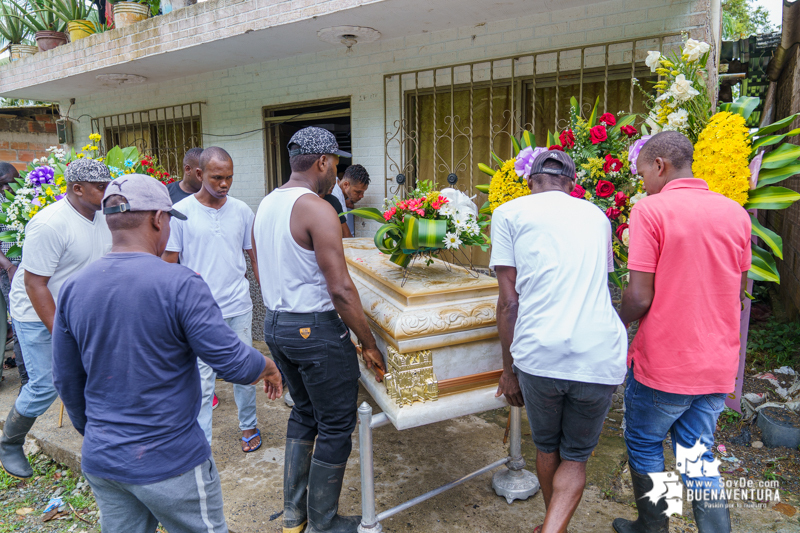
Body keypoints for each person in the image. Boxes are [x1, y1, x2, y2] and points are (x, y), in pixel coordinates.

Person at [52, 173, 283, 533]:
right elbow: (230, 360)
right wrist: (266, 365)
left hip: (103, 461)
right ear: (159, 219)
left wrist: (96, 432)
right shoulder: (180, 284)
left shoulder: (73, 288)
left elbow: (66, 377)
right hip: (170, 462)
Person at [614, 132, 750, 533]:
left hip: (665, 363)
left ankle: (655, 526)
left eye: (642, 174)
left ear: (660, 166)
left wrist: (615, 323)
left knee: (644, 444)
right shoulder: (735, 212)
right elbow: (740, 289)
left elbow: (639, 296)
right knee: (697, 455)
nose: (642, 184)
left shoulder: (651, 211)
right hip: (716, 363)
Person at [253, 126, 385, 533]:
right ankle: (324, 523)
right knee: (335, 425)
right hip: (315, 330)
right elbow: (341, 288)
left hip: (276, 324)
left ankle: (296, 516)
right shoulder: (317, 207)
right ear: (323, 162)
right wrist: (368, 342)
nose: (336, 172)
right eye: (336, 164)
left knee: (305, 414)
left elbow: (260, 266)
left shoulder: (267, 204)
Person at [491, 150, 627, 533]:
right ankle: (555, 528)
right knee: (577, 456)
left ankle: (554, 527)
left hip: (539, 351)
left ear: (531, 181)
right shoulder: (598, 217)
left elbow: (508, 302)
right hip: (599, 353)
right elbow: (600, 283)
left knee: (547, 447)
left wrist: (508, 370)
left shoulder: (509, 213)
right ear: (571, 185)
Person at [0, 158, 113, 480]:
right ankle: (10, 442)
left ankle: (101, 446)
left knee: (95, 377)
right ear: (77, 188)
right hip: (37, 313)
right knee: (46, 384)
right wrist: (64, 336)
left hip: (78, 310)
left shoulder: (104, 217)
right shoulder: (49, 224)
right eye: (100, 187)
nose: (108, 192)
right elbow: (35, 284)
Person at [163, 146, 263, 453]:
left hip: (238, 307)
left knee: (244, 373)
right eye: (217, 177)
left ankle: (248, 424)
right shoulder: (180, 214)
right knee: (202, 382)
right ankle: (202, 441)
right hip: (198, 314)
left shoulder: (243, 211)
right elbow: (168, 264)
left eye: (229, 178)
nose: (224, 184)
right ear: (198, 174)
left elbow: (253, 256)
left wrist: (269, 297)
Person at [0, 163, 24, 385]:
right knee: (19, 321)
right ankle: (26, 378)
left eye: (17, 180)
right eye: (8, 183)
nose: (14, 186)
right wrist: (9, 267)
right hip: (11, 270)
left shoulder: (24, 196)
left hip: (32, 266)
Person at [331, 164, 370, 238]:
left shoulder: (340, 191)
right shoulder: (333, 193)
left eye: (363, 192)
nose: (362, 196)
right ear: (346, 184)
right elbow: (345, 235)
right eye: (358, 192)